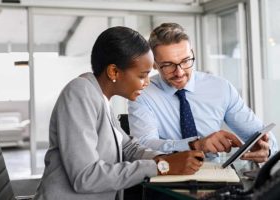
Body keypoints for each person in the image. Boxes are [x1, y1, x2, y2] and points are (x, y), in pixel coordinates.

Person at [33, 26, 205, 200]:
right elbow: (85, 177)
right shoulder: (80, 92)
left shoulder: (101, 98)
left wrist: (167, 158)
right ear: (113, 71)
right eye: (142, 75)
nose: (147, 83)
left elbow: (128, 147)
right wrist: (161, 166)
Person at [128, 23, 278, 163]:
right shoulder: (142, 93)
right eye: (168, 65)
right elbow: (144, 146)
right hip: (167, 178)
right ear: (154, 63)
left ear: (192, 53)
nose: (179, 73)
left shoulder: (220, 87)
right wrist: (195, 145)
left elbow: (259, 133)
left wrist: (267, 148)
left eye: (186, 61)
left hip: (218, 176)